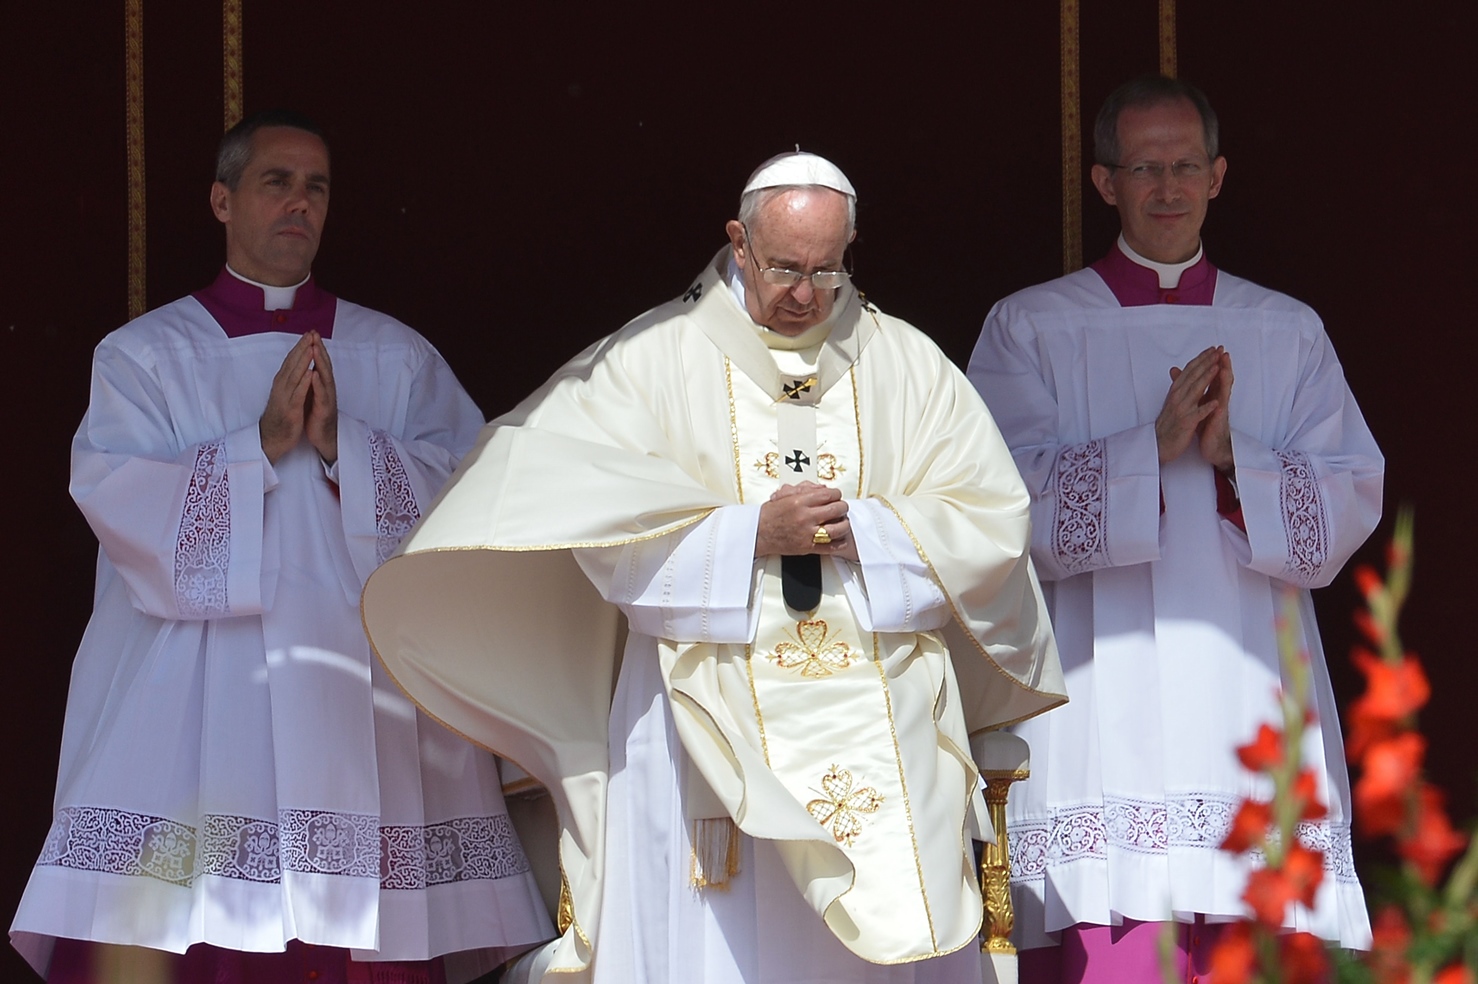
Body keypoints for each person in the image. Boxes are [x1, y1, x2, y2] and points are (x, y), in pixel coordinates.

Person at [360, 152, 1067, 984]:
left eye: (829, 270)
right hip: (698, 715)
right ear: (738, 243)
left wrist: (863, 533)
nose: (806, 293)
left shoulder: (906, 364)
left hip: (878, 719)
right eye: (785, 268)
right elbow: (599, 532)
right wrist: (750, 535)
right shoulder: (650, 359)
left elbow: (988, 522)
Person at [11, 110, 552, 984]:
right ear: (223, 200)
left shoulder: (395, 355)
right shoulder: (146, 356)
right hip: (200, 691)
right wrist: (254, 447)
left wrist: (350, 448)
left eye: (317, 187)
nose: (300, 202)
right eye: (277, 182)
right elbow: (116, 497)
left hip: (360, 687)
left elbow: (473, 495)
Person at [966, 76, 1381, 981]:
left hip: (1249, 679)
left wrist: (1235, 458)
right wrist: (1146, 449)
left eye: (1184, 165)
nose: (1166, 187)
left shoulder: (1286, 330)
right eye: (1144, 168)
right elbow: (995, 508)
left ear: (1218, 176)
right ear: (1105, 182)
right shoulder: (1031, 327)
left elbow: (1348, 504)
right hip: (1096, 682)